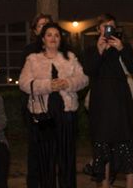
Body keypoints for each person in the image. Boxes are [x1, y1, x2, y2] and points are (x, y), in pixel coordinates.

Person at [19, 22, 89, 188]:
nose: (53, 38)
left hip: (66, 112)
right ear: (42, 39)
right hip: (43, 113)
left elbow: (84, 79)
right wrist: (48, 85)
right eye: (49, 35)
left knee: (66, 157)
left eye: (57, 35)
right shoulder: (33, 59)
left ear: (60, 39)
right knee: (45, 158)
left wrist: (67, 83)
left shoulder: (70, 57)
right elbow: (23, 83)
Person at [84, 14, 133, 188]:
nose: (108, 29)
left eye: (112, 26)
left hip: (121, 100)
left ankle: (130, 185)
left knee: (126, 143)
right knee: (102, 145)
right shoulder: (91, 49)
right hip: (101, 102)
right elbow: (90, 70)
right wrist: (100, 51)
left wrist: (122, 48)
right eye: (105, 26)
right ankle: (105, 185)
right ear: (98, 29)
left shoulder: (123, 47)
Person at [22, 13, 52, 188]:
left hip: (54, 107)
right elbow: (26, 80)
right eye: (41, 25)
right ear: (35, 30)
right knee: (35, 150)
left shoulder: (59, 49)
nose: (45, 28)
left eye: (47, 24)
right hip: (34, 107)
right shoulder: (29, 50)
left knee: (52, 150)